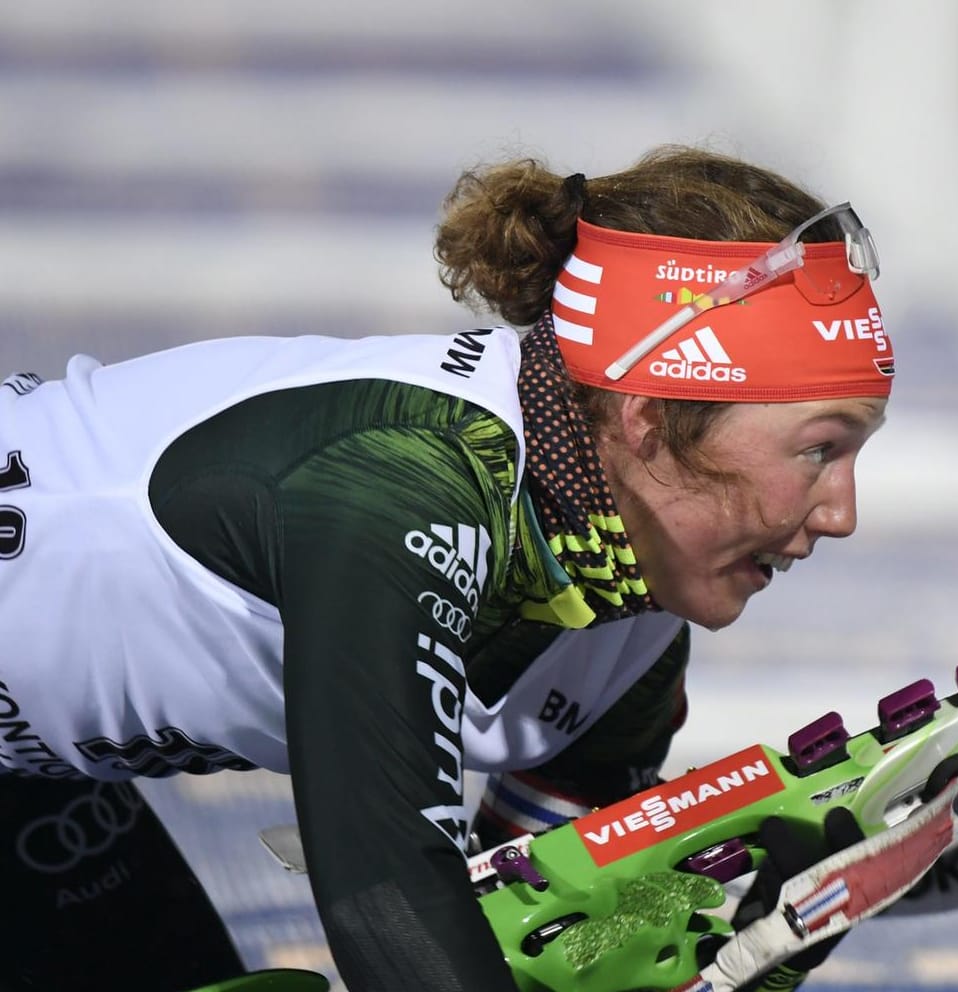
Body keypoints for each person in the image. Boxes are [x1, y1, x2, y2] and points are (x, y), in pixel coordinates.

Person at [0, 145, 895, 992]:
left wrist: (771, 944)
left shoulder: (631, 594)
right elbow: (385, 896)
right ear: (647, 416)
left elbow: (529, 939)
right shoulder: (405, 483)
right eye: (820, 450)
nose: (842, 514)